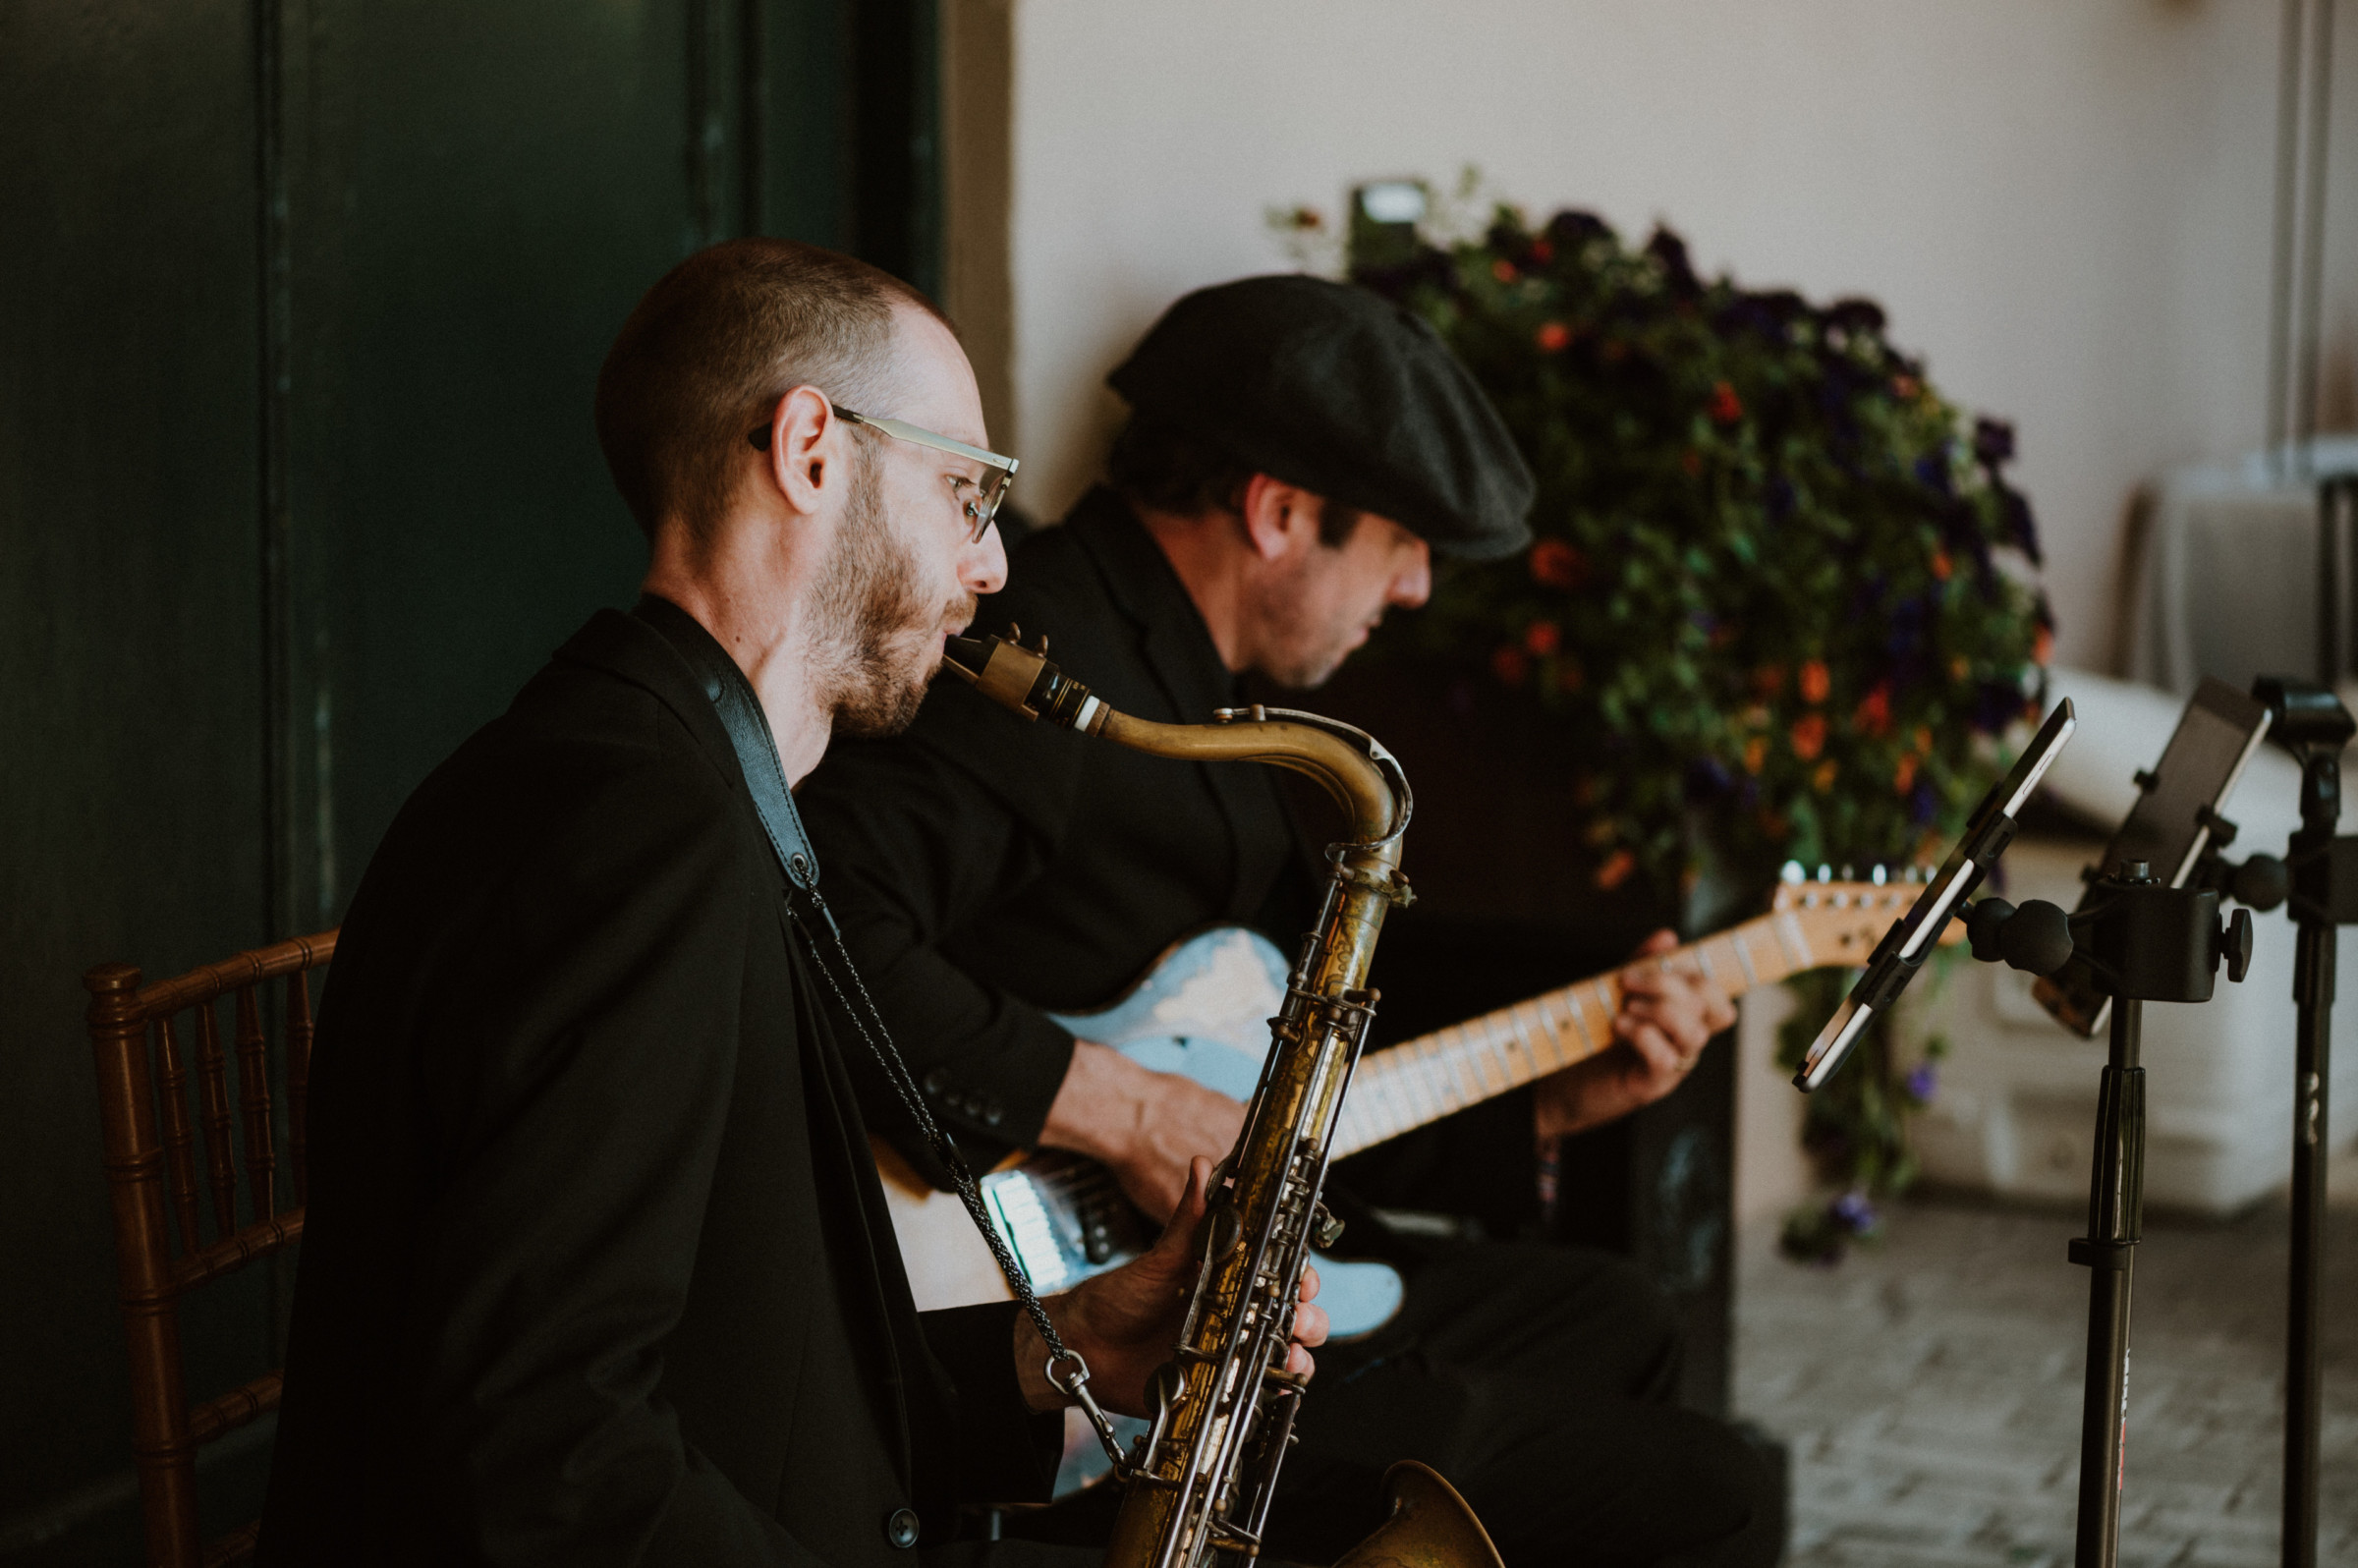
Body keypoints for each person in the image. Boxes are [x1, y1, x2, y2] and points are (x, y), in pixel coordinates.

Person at [256, 240, 1325, 1567]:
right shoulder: (636, 832)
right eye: (967, 494)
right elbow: (547, 1449)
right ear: (812, 452)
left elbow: (741, 1360)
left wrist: (1068, 1353)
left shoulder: (674, 784)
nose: (992, 568)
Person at [797, 275, 1776, 1568]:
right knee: (1716, 1491)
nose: (1419, 588)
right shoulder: (1051, 662)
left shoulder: (1199, 681)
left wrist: (1555, 1097)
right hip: (1053, 1339)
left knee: (1618, 1316)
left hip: (1198, 1274)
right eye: (1403, 542)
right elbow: (825, 947)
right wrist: (1123, 1113)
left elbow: (1267, 1066)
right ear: (1278, 511)